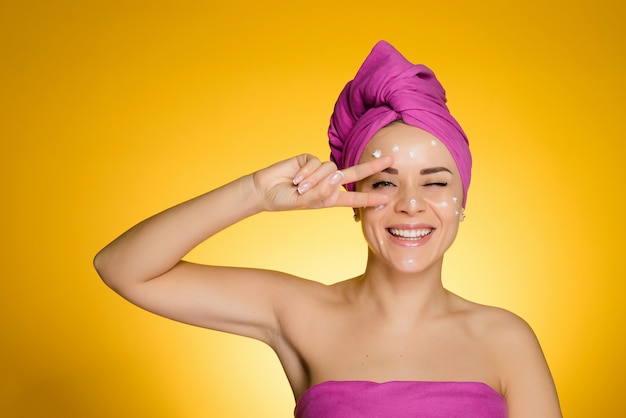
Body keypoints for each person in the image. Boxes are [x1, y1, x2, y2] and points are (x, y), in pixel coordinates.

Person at [94, 41, 562, 417]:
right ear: (353, 203)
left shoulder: (506, 338)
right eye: (383, 182)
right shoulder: (298, 311)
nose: (411, 204)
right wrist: (255, 194)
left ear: (462, 201)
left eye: (435, 182)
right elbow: (122, 268)